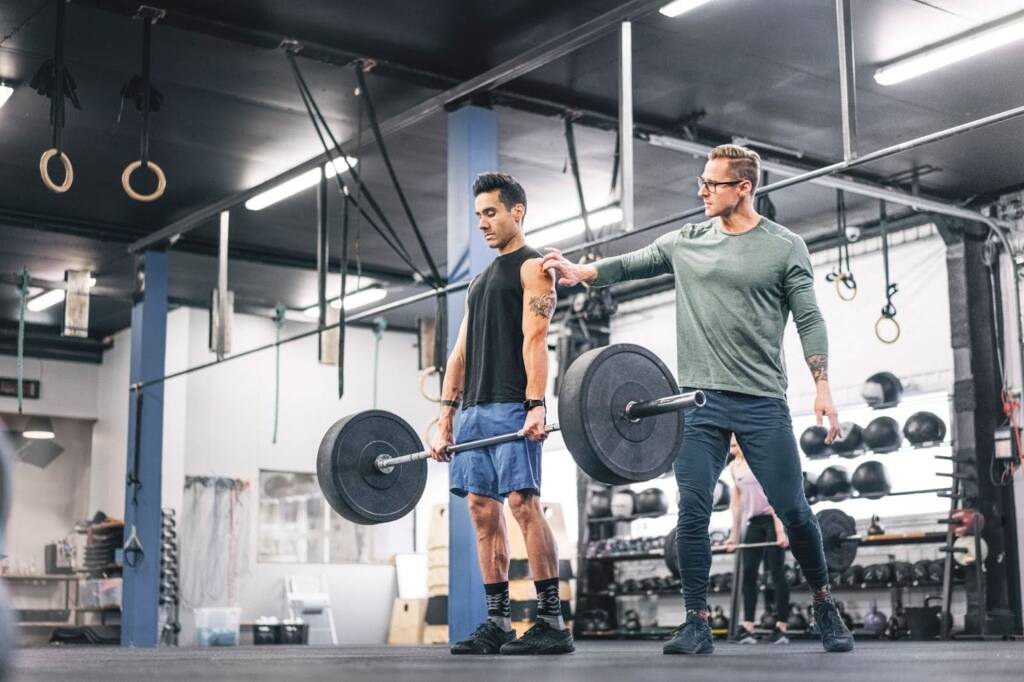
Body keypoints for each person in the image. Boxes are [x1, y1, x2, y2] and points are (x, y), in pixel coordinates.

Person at [542, 144, 853, 655]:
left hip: (761, 401)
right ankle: (696, 621)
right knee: (691, 510)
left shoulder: (784, 245)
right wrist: (581, 272)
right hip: (699, 404)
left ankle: (823, 603)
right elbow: (631, 264)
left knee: (794, 509)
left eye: (713, 184)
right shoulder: (686, 241)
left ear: (744, 188)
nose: (701, 190)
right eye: (703, 181)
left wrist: (821, 384)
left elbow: (809, 317)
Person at [428, 173, 574, 656]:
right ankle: (498, 622)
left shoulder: (534, 268)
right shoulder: (477, 282)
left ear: (518, 212)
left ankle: (551, 621)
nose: (484, 224)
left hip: (513, 404)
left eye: (491, 213)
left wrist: (536, 403)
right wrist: (446, 417)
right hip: (473, 410)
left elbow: (536, 338)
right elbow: (460, 353)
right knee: (479, 509)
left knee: (522, 504)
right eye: (479, 216)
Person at [723, 436, 790, 644]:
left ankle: (781, 627)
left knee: (776, 571)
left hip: (772, 519)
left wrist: (780, 531)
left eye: (735, 444)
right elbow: (736, 504)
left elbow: (776, 496)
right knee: (749, 573)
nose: (732, 448)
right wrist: (733, 536)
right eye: (730, 445)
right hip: (753, 523)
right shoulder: (734, 467)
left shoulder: (762, 460)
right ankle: (748, 627)